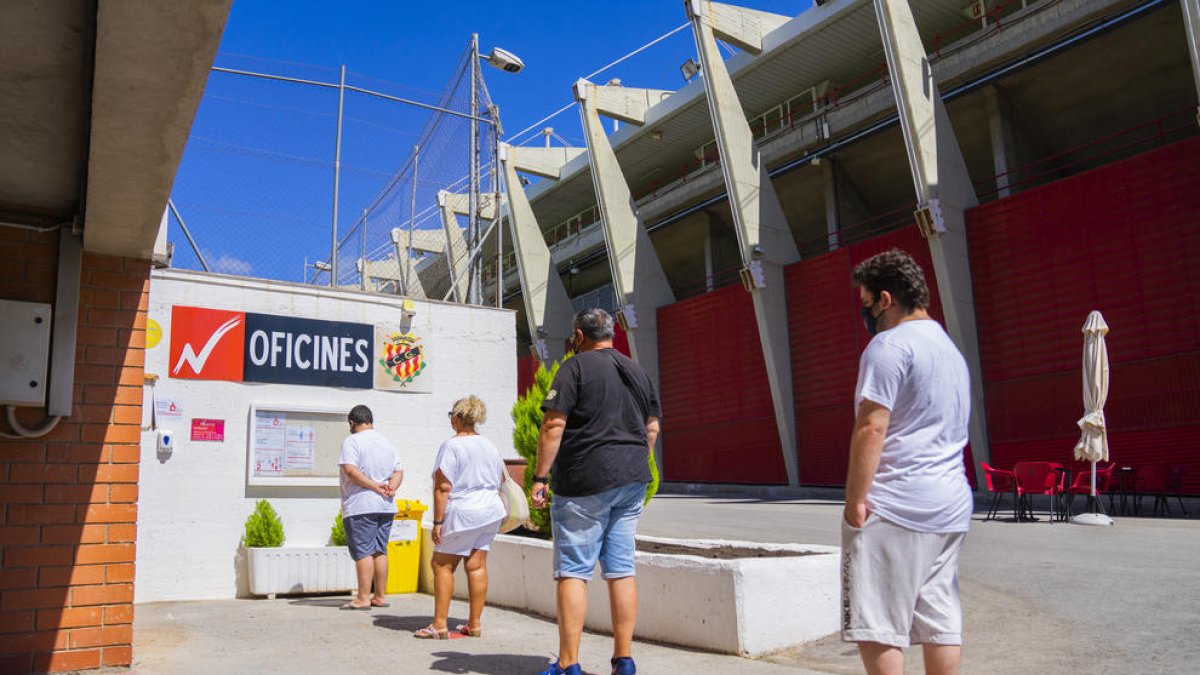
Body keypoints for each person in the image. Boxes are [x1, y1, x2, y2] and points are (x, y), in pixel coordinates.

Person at [841, 249, 974, 675]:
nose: (865, 315)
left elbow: (871, 427)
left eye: (865, 304)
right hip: (950, 504)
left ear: (885, 299)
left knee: (878, 624)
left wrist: (854, 501)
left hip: (896, 504)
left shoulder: (889, 346)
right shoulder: (950, 349)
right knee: (940, 620)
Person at [532, 308, 661, 675]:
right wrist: (634, 462)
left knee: (573, 571)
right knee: (621, 570)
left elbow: (553, 425)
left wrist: (541, 478)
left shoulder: (574, 368)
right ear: (612, 333)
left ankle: (569, 664)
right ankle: (624, 660)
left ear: (578, 334)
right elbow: (651, 428)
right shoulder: (637, 371)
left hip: (583, 482)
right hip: (632, 480)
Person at [412, 395, 506, 640]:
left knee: (441, 564)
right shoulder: (489, 445)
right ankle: (474, 624)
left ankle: (440, 625)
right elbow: (502, 479)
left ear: (457, 417)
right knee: (476, 565)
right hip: (491, 509)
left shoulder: (452, 445)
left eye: (450, 415)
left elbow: (443, 487)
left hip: (464, 511)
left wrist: (438, 522)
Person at [337, 404, 403, 611]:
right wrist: (390, 488)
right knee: (379, 551)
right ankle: (380, 596)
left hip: (361, 505)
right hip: (385, 505)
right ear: (371, 421)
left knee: (364, 551)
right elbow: (399, 471)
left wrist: (374, 486)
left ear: (352, 423)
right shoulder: (387, 442)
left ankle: (363, 598)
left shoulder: (352, 441)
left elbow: (350, 470)